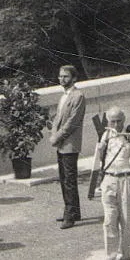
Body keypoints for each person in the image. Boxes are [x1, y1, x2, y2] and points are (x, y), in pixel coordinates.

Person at [91, 107, 130, 260]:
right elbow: (102, 161)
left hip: (127, 179)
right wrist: (100, 149)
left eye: (118, 121)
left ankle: (124, 254)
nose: (115, 124)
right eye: (112, 121)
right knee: (109, 219)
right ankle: (110, 255)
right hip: (109, 179)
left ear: (124, 119)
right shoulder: (105, 135)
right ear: (108, 121)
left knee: (127, 220)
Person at [48, 65, 87, 228]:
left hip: (70, 144)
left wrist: (57, 136)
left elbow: (73, 122)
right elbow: (58, 118)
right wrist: (53, 133)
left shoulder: (78, 96)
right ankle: (73, 211)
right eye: (60, 76)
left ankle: (69, 216)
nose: (62, 79)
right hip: (61, 143)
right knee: (64, 178)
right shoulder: (63, 96)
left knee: (69, 179)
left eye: (65, 76)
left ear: (74, 78)